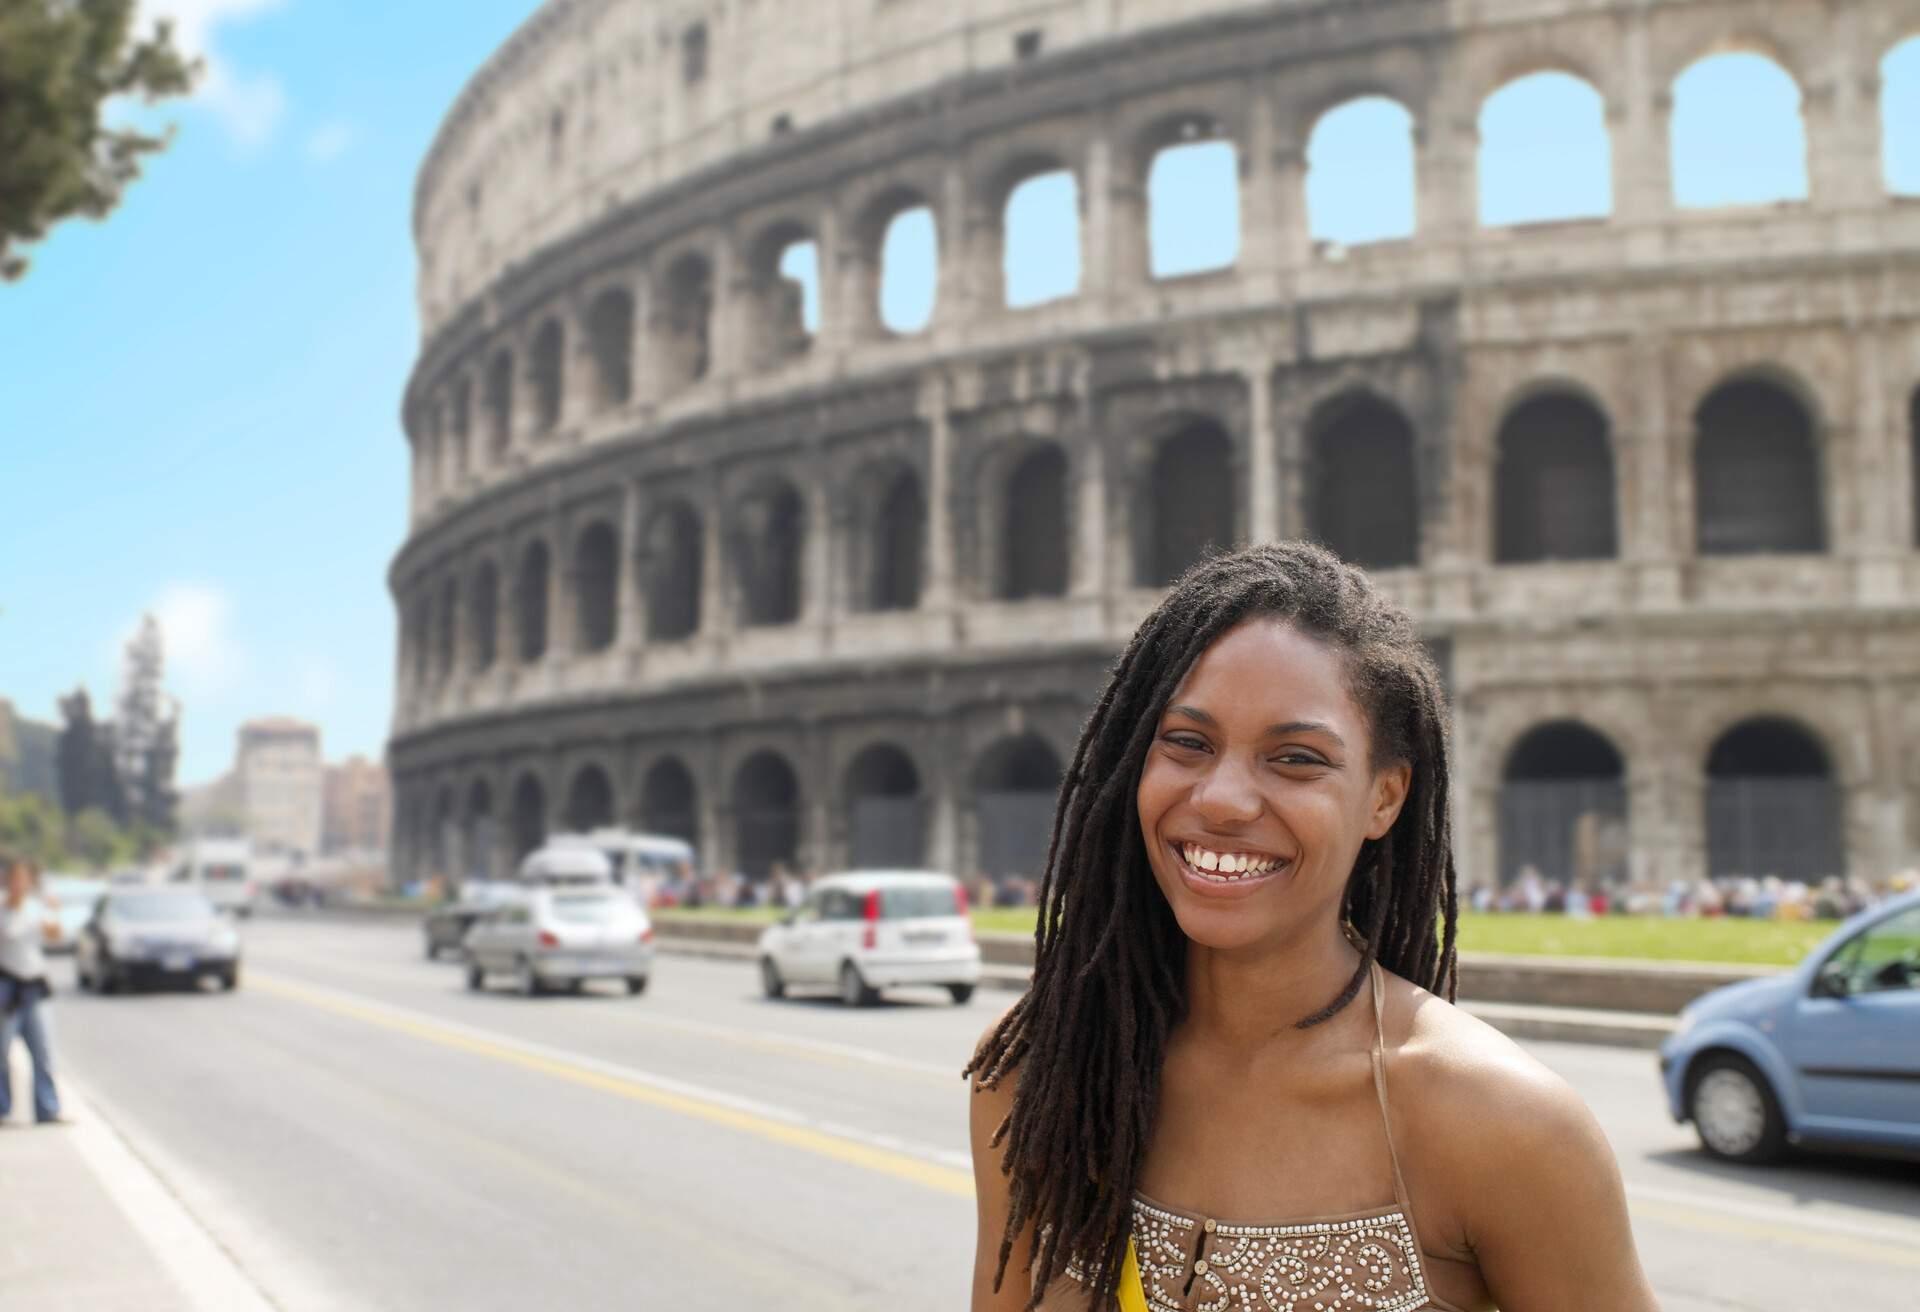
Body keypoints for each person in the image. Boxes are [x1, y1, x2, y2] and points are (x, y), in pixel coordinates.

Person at [965, 544, 1656, 1311]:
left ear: (1384, 799)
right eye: (1187, 742)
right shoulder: (1043, 1070)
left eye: (1296, 759)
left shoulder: (1501, 1123)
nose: (1224, 799)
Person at [0, 855, 65, 1125]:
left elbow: (55, 935)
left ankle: (47, 1109)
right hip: (8, 985)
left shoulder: (37, 907)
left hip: (35, 984)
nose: (18, 883)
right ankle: (2, 1109)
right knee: (2, 1051)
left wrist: (54, 912)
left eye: (23, 878)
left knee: (44, 1050)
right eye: (14, 878)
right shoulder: (2, 907)